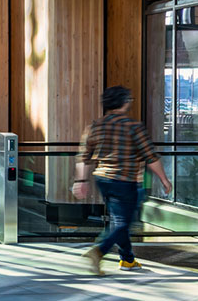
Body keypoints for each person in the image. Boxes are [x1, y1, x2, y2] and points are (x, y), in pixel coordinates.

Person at [75, 84, 171, 274]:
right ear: (125, 102)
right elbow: (150, 156)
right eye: (129, 99)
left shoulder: (95, 126)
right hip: (125, 181)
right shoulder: (133, 127)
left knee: (118, 220)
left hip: (102, 180)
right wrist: (164, 180)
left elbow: (84, 157)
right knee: (123, 222)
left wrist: (81, 181)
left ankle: (127, 259)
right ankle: (99, 251)